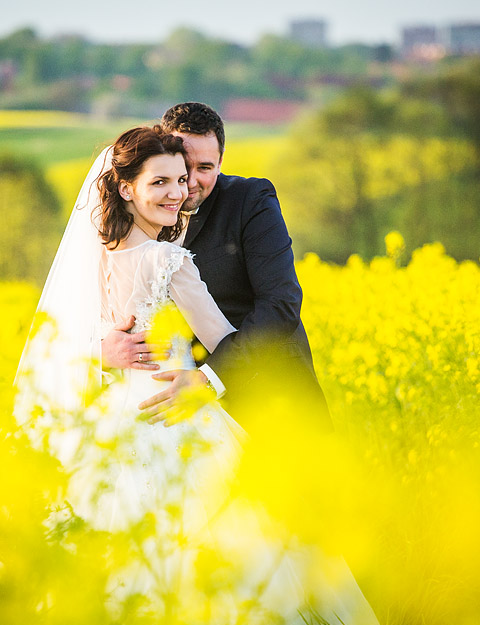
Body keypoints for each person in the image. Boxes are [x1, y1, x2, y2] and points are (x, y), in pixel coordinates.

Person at [15, 124, 390, 625]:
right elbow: (221, 338)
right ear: (125, 187)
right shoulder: (168, 259)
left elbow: (58, 335)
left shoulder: (96, 256)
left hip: (113, 416)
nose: (179, 191)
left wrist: (106, 351)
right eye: (162, 181)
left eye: (184, 178)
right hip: (173, 410)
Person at [101, 102, 332, 432]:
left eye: (205, 168)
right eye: (181, 169)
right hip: (163, 410)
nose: (188, 184)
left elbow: (280, 305)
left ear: (222, 163)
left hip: (270, 398)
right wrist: (102, 349)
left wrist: (209, 380)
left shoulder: (250, 200)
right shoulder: (124, 241)